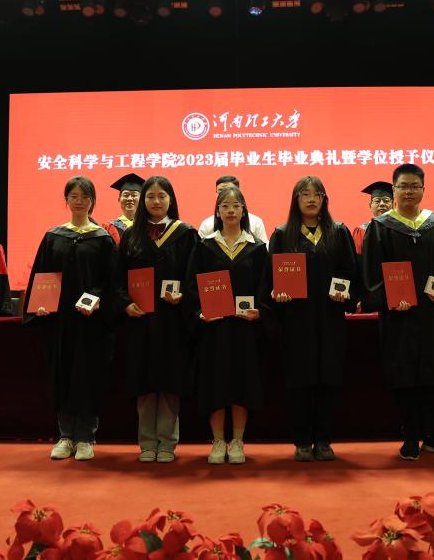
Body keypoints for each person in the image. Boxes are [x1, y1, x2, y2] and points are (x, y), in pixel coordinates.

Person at [361, 163, 434, 461]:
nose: (409, 191)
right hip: (398, 316)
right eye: (403, 186)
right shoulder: (380, 227)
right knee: (404, 375)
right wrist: (388, 298)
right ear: (394, 190)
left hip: (433, 314)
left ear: (423, 189)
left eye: (414, 186)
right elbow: (370, 274)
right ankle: (409, 436)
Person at [23, 176, 116, 462]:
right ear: (66, 200)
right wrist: (39, 306)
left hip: (91, 323)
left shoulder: (102, 239)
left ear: (92, 201)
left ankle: (86, 437)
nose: (79, 201)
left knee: (87, 376)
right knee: (62, 373)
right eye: (74, 196)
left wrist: (97, 297)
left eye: (84, 197)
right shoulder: (54, 236)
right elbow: (41, 275)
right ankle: (65, 436)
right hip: (60, 322)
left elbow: (111, 280)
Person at [265, 176, 356, 462]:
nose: (312, 199)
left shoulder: (338, 232)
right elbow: (270, 279)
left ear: (324, 199)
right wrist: (276, 293)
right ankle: (303, 441)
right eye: (305, 194)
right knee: (299, 381)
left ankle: (324, 439)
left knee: (328, 380)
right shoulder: (282, 235)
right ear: (296, 200)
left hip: (330, 319)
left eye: (317, 194)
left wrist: (346, 292)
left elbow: (350, 272)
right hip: (296, 321)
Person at [114, 176, 197, 463]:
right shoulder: (132, 236)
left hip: (173, 321)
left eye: (162, 196)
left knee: (170, 381)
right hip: (142, 320)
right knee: (145, 381)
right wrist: (125, 304)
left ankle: (168, 443)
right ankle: (147, 442)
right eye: (151, 196)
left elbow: (194, 276)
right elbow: (117, 279)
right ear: (143, 201)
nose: (156, 201)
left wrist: (184, 295)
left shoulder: (185, 234)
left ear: (171, 199)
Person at [185, 185, 268, 464]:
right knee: (215, 384)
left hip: (245, 329)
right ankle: (218, 441)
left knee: (242, 383)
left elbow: (264, 287)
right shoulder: (204, 247)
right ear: (217, 212)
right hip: (214, 329)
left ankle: (238, 441)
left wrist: (260, 312)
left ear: (244, 211)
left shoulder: (257, 249)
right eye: (225, 206)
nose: (231, 210)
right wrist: (200, 313)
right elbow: (191, 286)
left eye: (236, 205)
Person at [197, 175, 268, 245]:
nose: (226, 194)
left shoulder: (256, 223)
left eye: (230, 190)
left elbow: (265, 248)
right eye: (220, 191)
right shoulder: (206, 225)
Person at [352, 181, 394, 254]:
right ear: (370, 205)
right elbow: (357, 257)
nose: (382, 204)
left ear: (393, 205)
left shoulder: (400, 230)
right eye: (377, 201)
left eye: (386, 201)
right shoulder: (362, 231)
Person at [105, 173, 146, 244]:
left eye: (134, 195)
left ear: (142, 199)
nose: (129, 198)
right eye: (126, 195)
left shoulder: (149, 226)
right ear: (119, 199)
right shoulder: (109, 227)